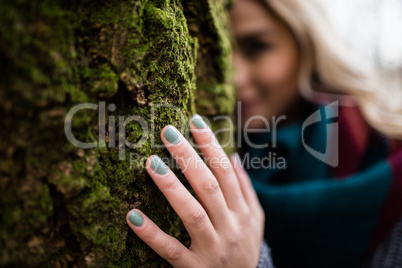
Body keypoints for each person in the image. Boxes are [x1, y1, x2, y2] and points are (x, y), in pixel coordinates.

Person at [125, 0, 402, 267]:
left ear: (305, 44)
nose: (235, 77)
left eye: (257, 47)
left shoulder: (390, 161)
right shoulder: (213, 157)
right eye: (215, 53)